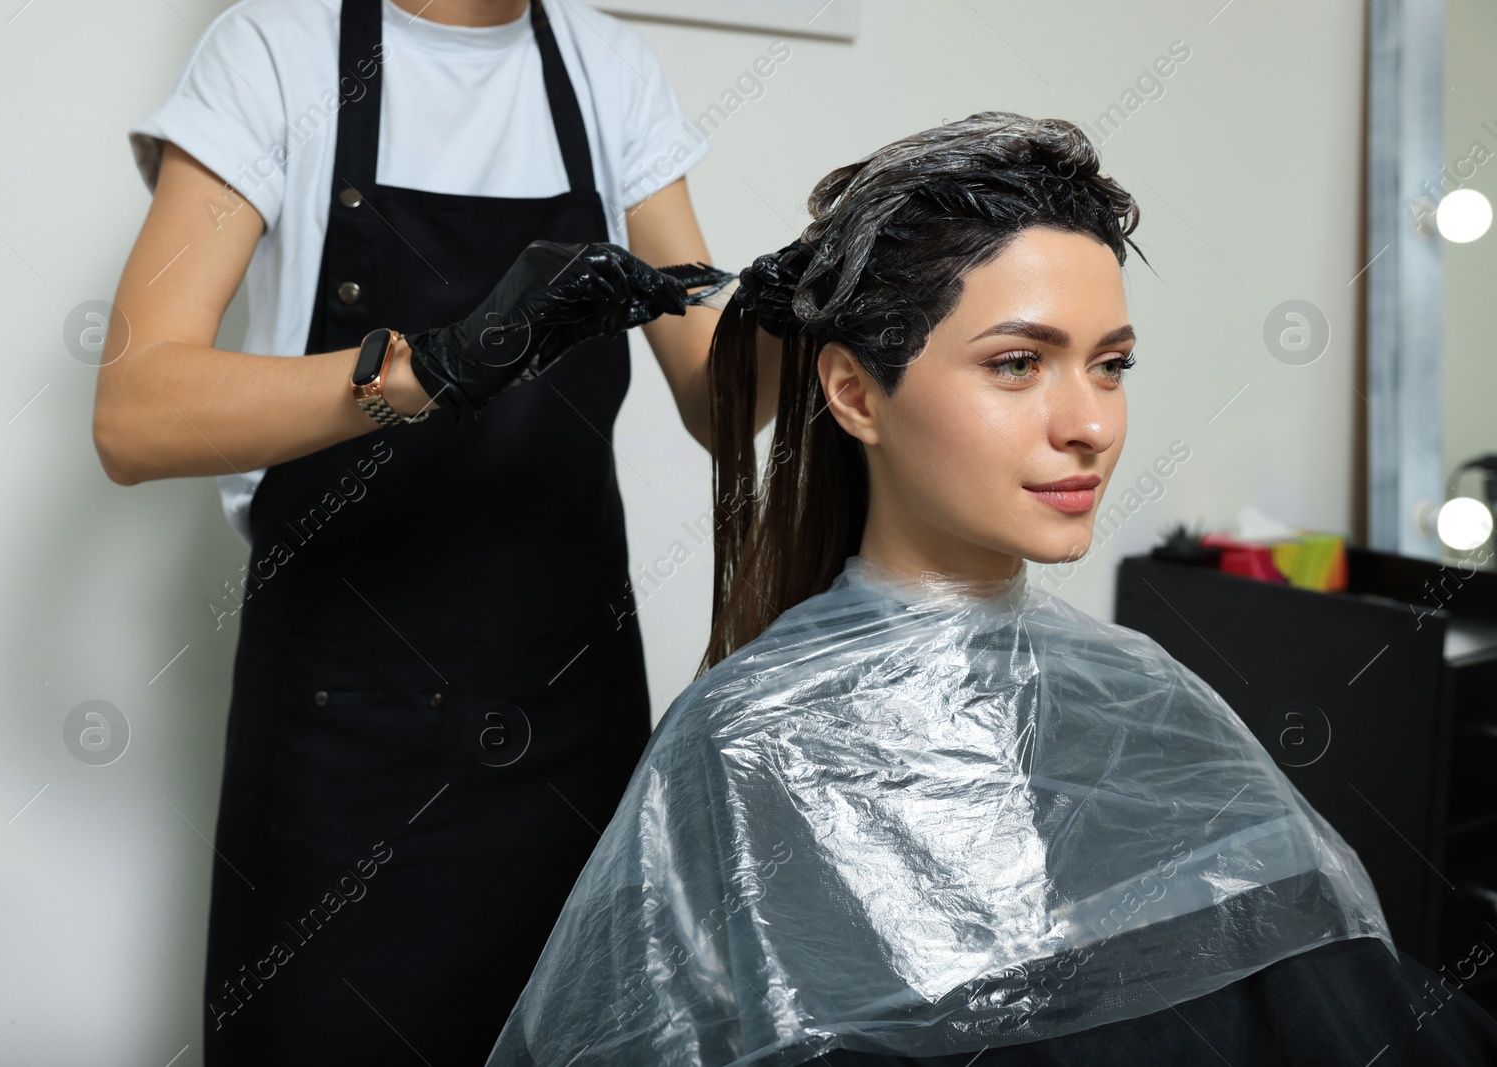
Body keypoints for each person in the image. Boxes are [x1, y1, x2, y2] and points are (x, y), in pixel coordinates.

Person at [481, 113, 1497, 1065]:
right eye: (1018, 363)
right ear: (851, 391)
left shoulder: (1140, 695)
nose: (1089, 423)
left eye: (1110, 365)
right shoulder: (748, 740)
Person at [95, 0, 776, 1062]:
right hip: (347, 743)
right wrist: (429, 368)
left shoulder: (604, 65)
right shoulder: (278, 50)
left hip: (571, 730)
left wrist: (817, 303)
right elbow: (136, 413)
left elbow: (716, 395)